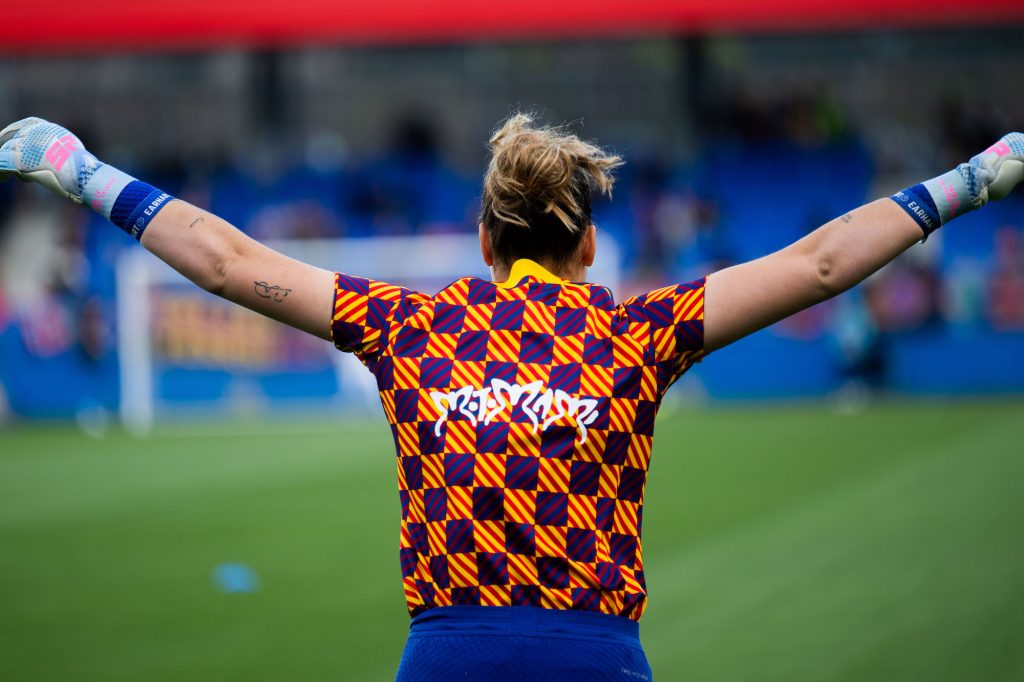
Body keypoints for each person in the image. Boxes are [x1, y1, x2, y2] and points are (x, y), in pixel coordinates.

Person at [1, 114, 1021, 680]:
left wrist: (75, 168)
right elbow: (825, 262)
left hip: (446, 660)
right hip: (596, 662)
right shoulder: (636, 331)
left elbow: (222, 262)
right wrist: (975, 177)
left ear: (485, 245)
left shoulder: (413, 326)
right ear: (587, 245)